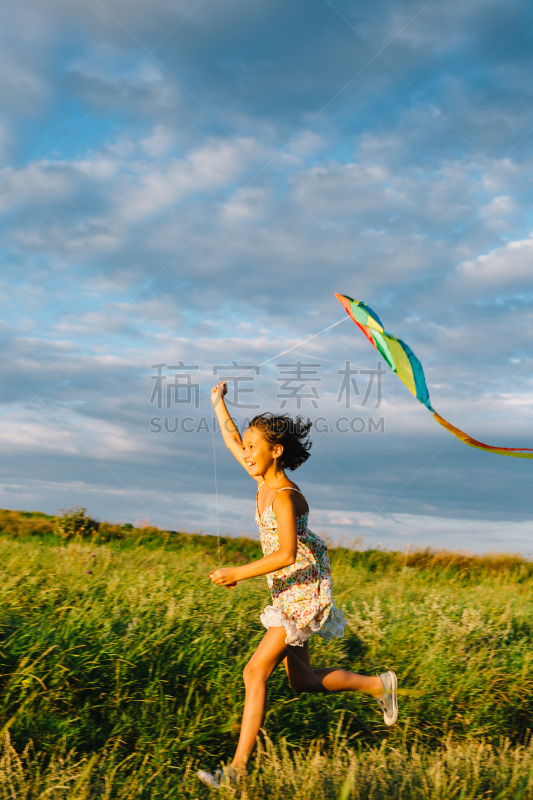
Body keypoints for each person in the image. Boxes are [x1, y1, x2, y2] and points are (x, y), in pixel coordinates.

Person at [197, 382, 398, 790]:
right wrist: (219, 403)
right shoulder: (261, 483)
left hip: (302, 588)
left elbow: (287, 553)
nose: (246, 452)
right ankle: (379, 685)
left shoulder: (285, 496)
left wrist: (237, 572)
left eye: (255, 447)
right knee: (302, 681)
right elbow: (232, 437)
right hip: (287, 588)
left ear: (276, 451)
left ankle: (236, 772)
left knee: (254, 673)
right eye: (247, 447)